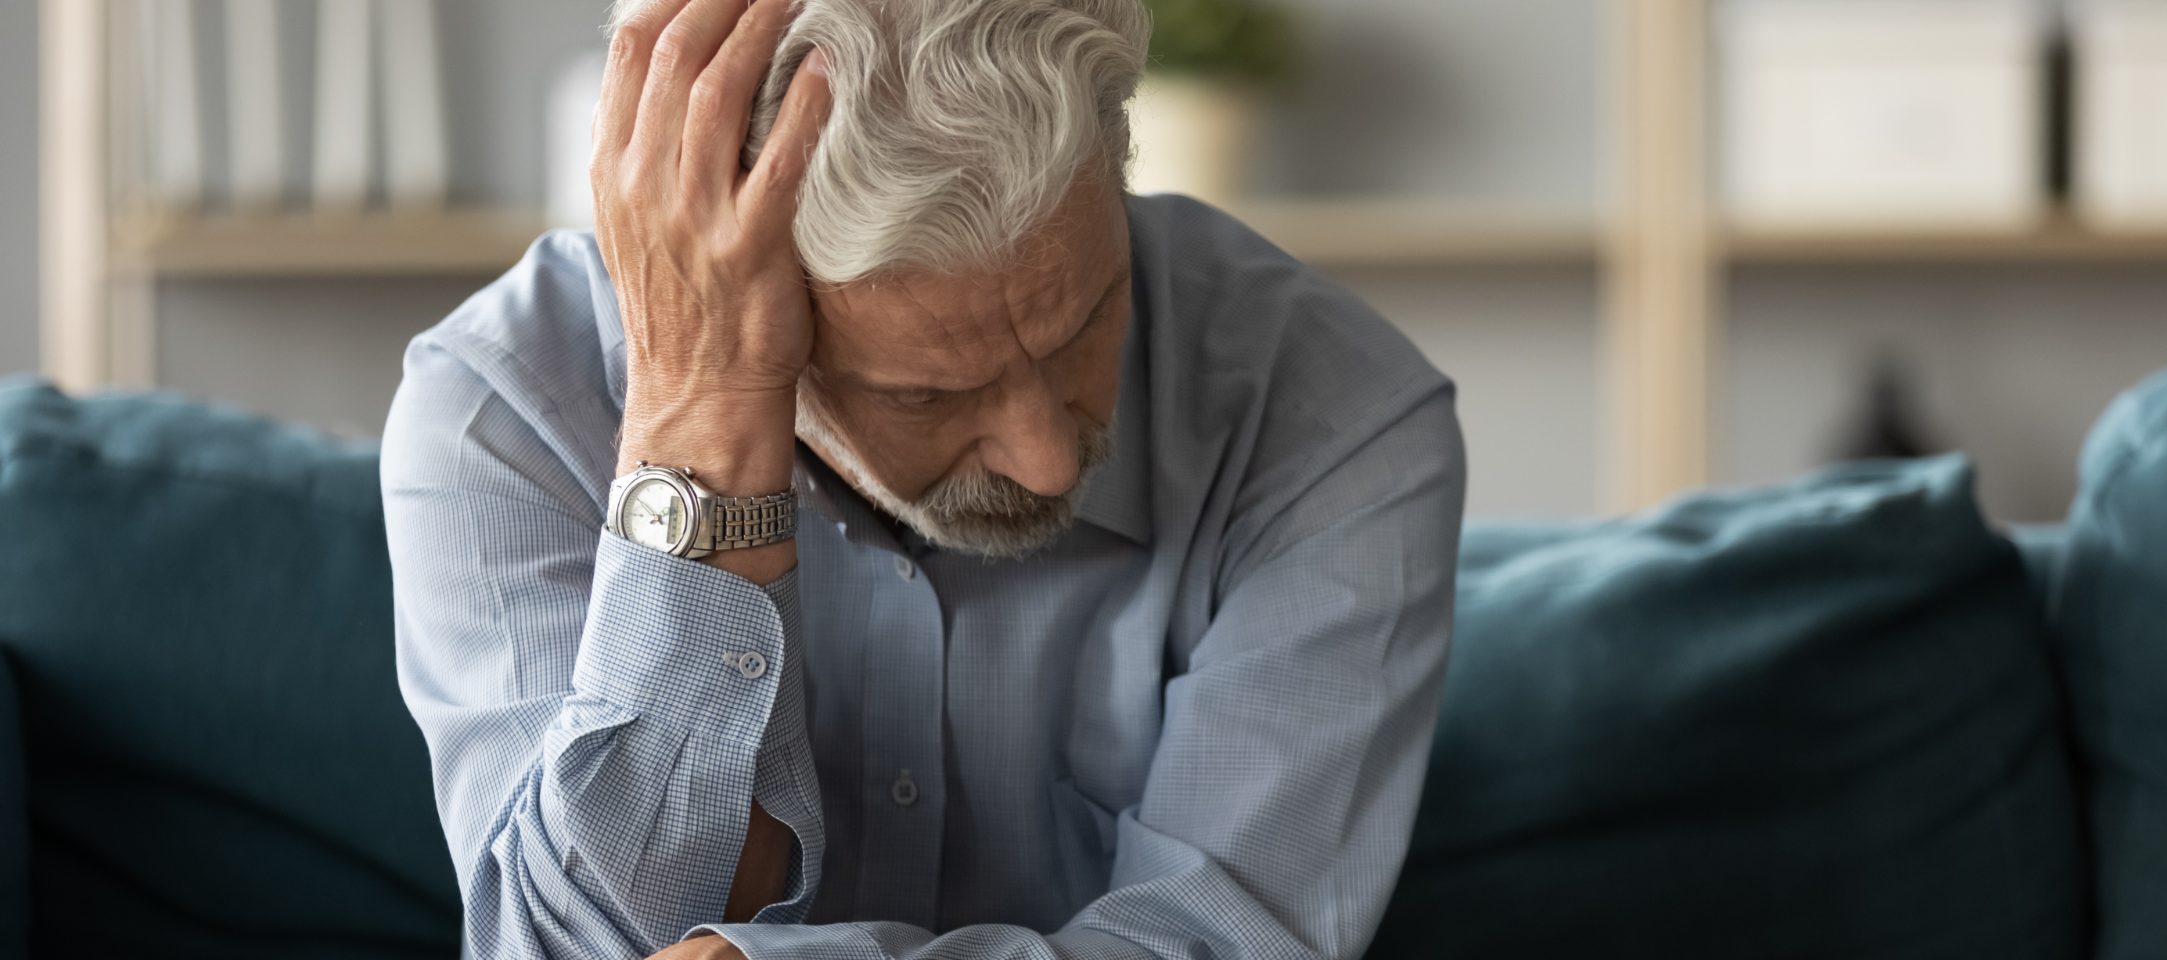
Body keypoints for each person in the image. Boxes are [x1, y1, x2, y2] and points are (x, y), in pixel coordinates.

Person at [379, 0, 1465, 957]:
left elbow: (1232, 945)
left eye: (1088, 320)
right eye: (923, 396)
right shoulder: (503, 413)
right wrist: (702, 417)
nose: (1047, 460)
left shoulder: (1335, 413)